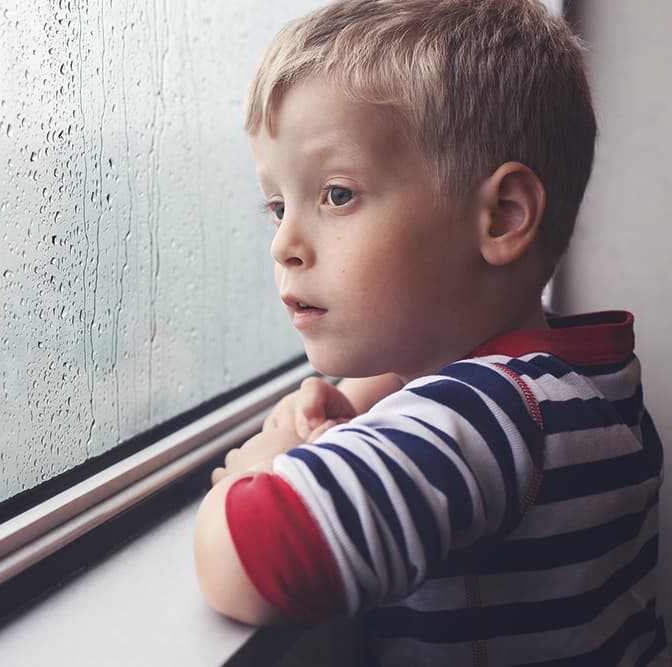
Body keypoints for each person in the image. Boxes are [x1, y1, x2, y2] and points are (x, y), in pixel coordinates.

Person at [192, 0, 669, 664]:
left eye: (336, 194)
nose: (284, 244)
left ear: (501, 217)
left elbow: (255, 556)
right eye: (276, 206)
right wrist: (363, 400)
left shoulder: (488, 416)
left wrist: (261, 463)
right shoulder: (592, 383)